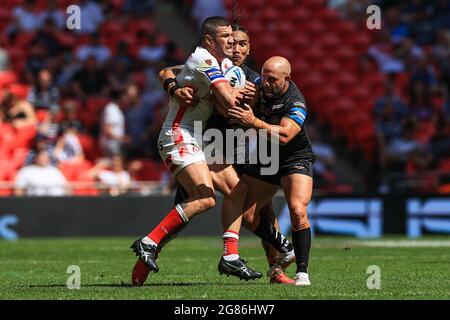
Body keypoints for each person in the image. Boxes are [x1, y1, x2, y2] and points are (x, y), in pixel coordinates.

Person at [151, 24, 296, 286]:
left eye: (242, 43)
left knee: (265, 210)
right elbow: (165, 71)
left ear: (249, 48)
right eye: (231, 41)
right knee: (190, 209)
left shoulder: (256, 79)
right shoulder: (211, 65)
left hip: (240, 149)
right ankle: (150, 251)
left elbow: (266, 109)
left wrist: (252, 103)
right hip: (207, 145)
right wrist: (174, 88)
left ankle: (274, 270)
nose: (235, 47)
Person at [130, 17, 261, 283]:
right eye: (226, 37)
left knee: (237, 191)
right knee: (205, 199)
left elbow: (225, 108)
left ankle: (231, 256)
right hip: (179, 135)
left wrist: (244, 94)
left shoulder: (224, 64)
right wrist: (244, 93)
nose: (232, 42)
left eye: (236, 39)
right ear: (210, 40)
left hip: (201, 140)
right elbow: (227, 100)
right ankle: (149, 242)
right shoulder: (204, 60)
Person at [228, 56, 316, 286]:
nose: (265, 82)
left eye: (272, 79)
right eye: (263, 76)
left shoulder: (295, 102)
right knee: (246, 216)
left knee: (297, 210)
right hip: (267, 157)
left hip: (294, 157)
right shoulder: (257, 86)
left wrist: (253, 121)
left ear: (287, 79)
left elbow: (286, 136)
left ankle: (302, 272)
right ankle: (286, 248)